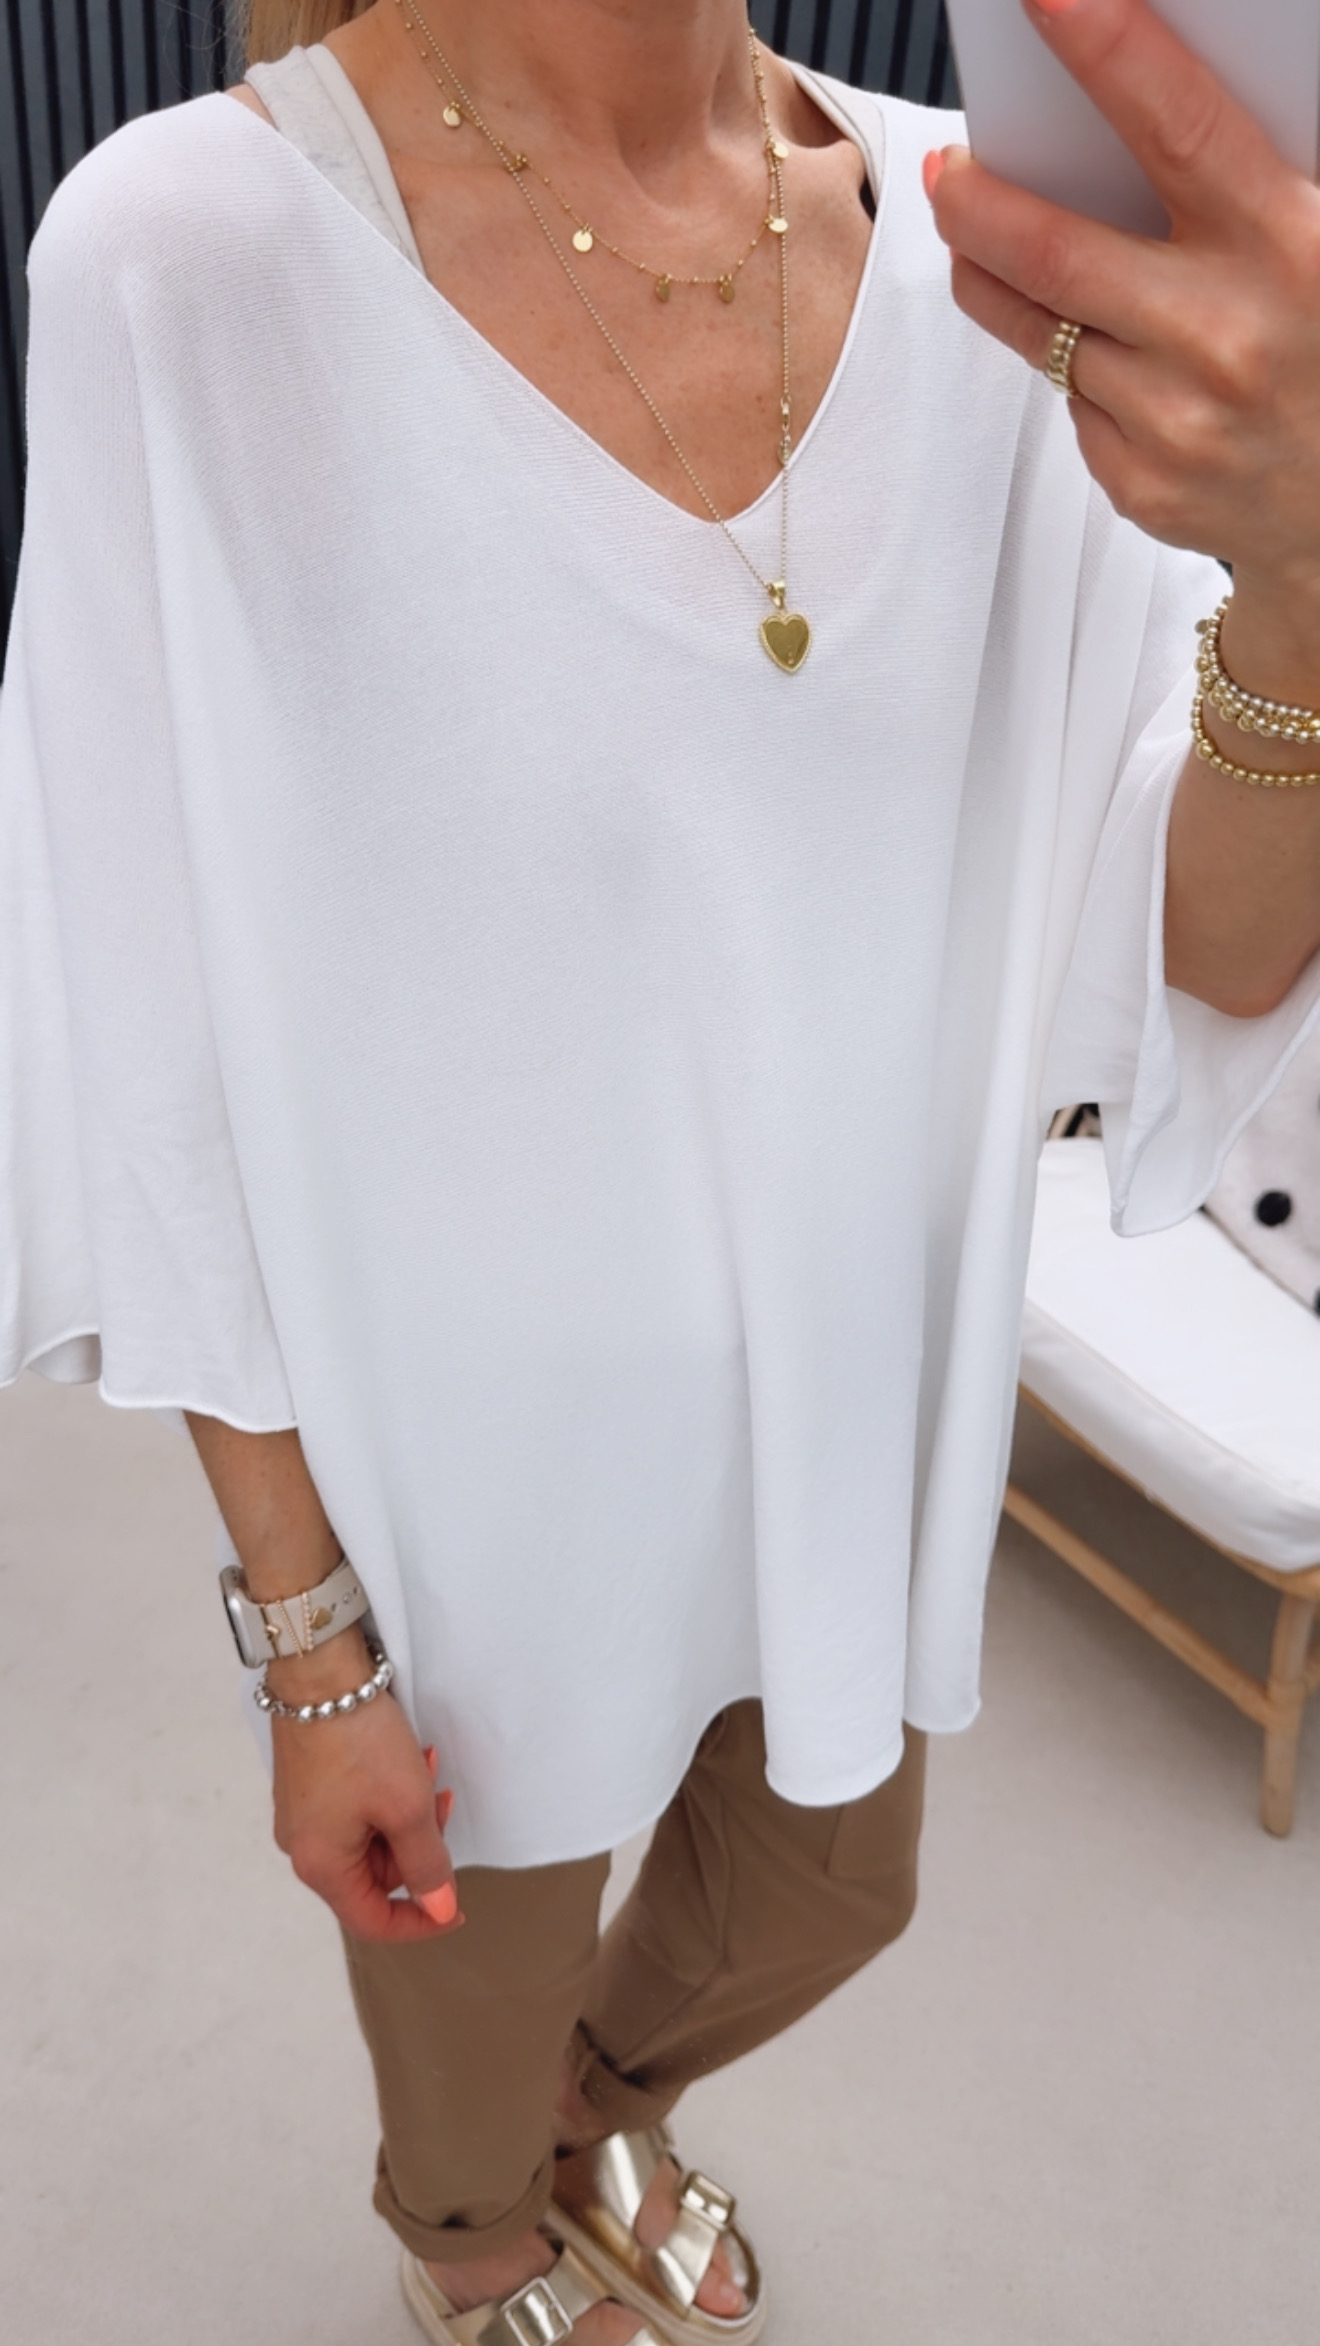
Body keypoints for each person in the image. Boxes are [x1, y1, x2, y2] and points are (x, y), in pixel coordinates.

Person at [3, 0, 1320, 2337]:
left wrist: (1307, 584)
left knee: (834, 1888)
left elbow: (1192, 957)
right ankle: (474, 2237)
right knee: (466, 1961)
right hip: (464, 1493)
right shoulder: (189, 258)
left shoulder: (996, 257)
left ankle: (591, 2107)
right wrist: (306, 1644)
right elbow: (142, 1018)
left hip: (849, 1419)